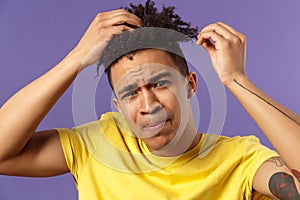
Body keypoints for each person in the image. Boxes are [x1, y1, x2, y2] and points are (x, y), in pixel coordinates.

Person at [0, 0, 299, 199]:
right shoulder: (97, 144)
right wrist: (76, 59)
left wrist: (236, 79)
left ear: (190, 84)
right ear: (117, 105)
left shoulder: (240, 160)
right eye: (131, 92)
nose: (148, 106)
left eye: (159, 83)